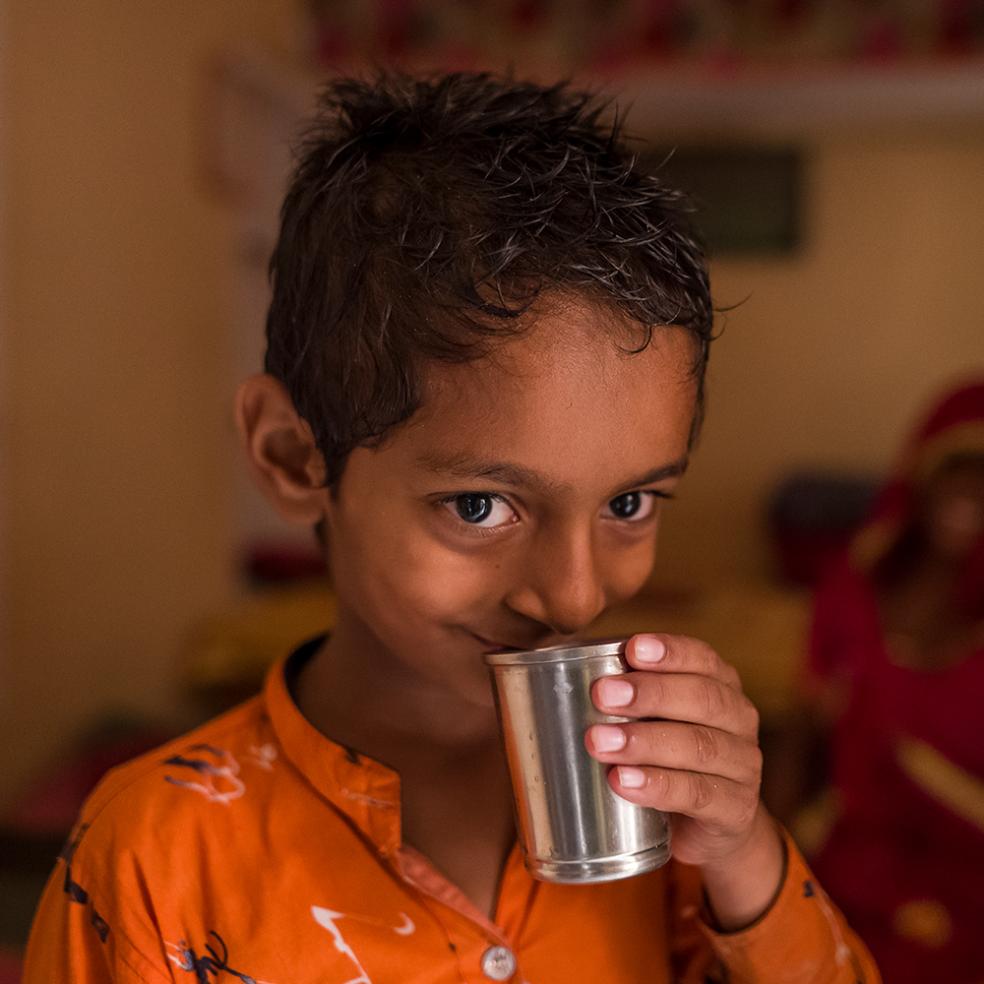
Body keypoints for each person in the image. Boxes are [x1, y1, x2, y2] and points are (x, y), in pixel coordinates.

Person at [24, 73, 878, 983]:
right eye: (481, 506)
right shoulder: (152, 858)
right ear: (293, 457)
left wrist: (747, 854)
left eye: (629, 505)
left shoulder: (666, 836)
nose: (577, 593)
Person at [801, 380, 984, 983]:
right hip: (852, 859)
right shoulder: (856, 589)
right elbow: (813, 739)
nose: (968, 496)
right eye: (956, 472)